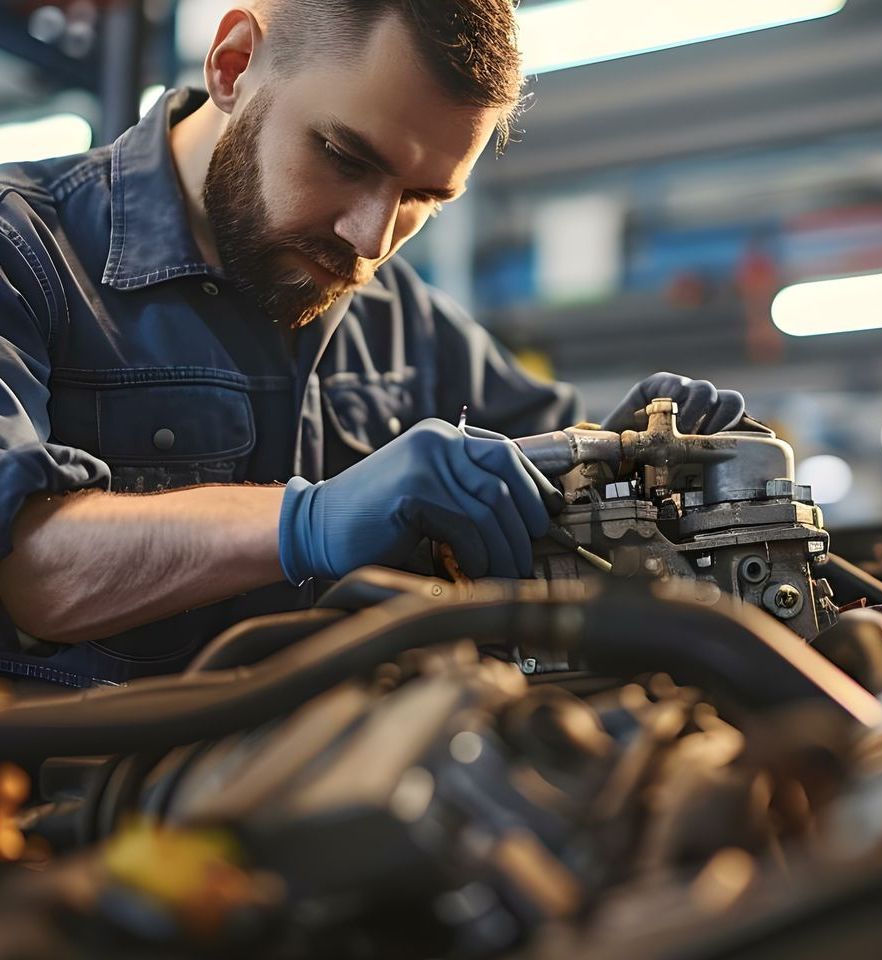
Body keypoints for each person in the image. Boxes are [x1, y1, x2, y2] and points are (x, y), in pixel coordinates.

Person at [0, 0, 746, 688]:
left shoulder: (400, 318)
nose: (372, 239)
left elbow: (549, 453)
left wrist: (621, 468)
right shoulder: (24, 250)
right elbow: (32, 572)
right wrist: (308, 523)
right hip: (83, 819)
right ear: (232, 67)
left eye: (423, 197)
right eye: (345, 157)